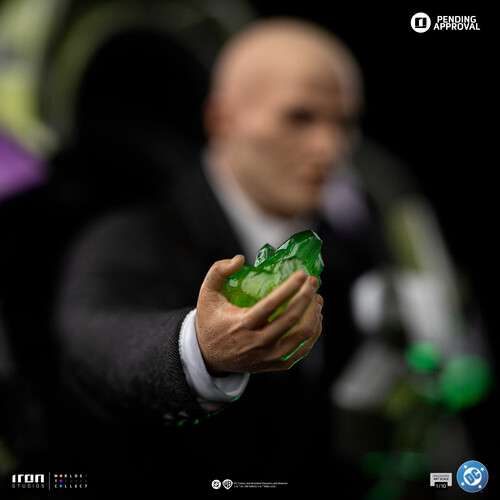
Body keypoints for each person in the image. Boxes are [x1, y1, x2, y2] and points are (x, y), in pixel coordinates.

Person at [49, 17, 394, 496]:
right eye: (299, 117)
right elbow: (97, 338)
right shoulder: (136, 235)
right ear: (221, 118)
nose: (330, 147)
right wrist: (198, 347)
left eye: (345, 122)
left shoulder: (351, 242)